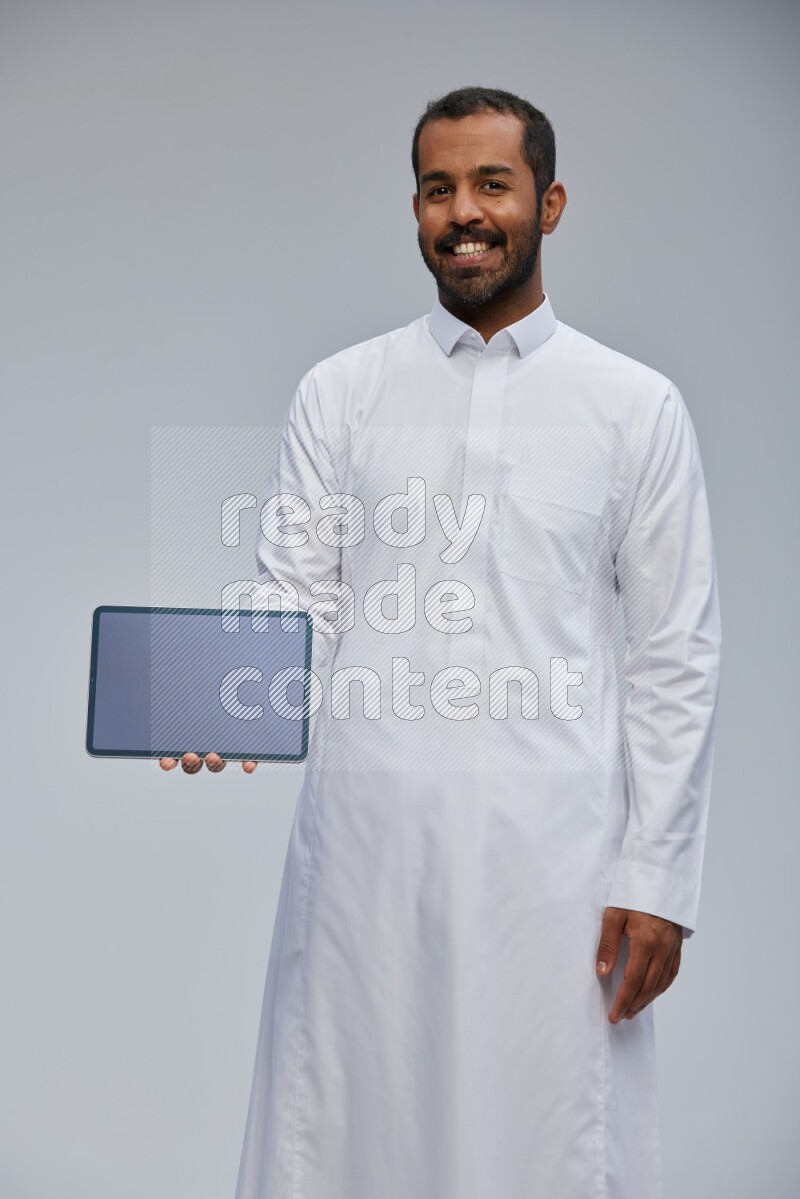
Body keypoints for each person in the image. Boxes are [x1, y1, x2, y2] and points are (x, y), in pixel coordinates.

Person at [160, 86, 722, 1199]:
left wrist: (656, 876)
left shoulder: (633, 406)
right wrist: (215, 703)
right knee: (349, 1130)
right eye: (436, 187)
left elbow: (674, 652)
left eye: (489, 185)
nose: (461, 212)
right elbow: (295, 604)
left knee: (547, 1139)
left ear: (547, 204)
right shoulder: (343, 391)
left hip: (552, 866)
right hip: (364, 849)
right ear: (413, 209)